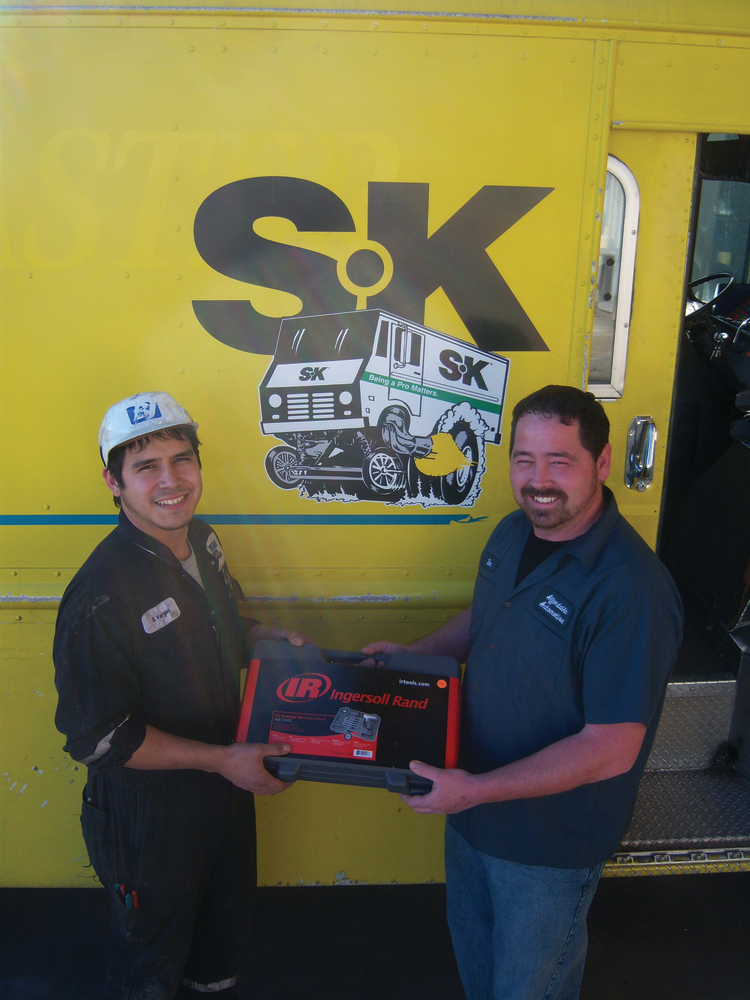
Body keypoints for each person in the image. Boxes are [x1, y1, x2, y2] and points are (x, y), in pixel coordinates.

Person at [362, 385, 683, 1000]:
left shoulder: (630, 590)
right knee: (479, 968)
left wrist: (476, 790)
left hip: (546, 843)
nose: (539, 481)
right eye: (524, 459)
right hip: (470, 811)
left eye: (560, 461)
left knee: (528, 987)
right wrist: (415, 653)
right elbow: (488, 617)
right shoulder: (513, 533)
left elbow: (611, 747)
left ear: (603, 462)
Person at [54, 391, 308, 1000]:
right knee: (150, 970)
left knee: (218, 957)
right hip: (148, 822)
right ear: (113, 482)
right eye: (146, 467)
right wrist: (223, 760)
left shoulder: (205, 540)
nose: (171, 481)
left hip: (226, 794)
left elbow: (218, 623)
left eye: (181, 459)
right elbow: (98, 738)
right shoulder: (100, 593)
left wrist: (258, 639)